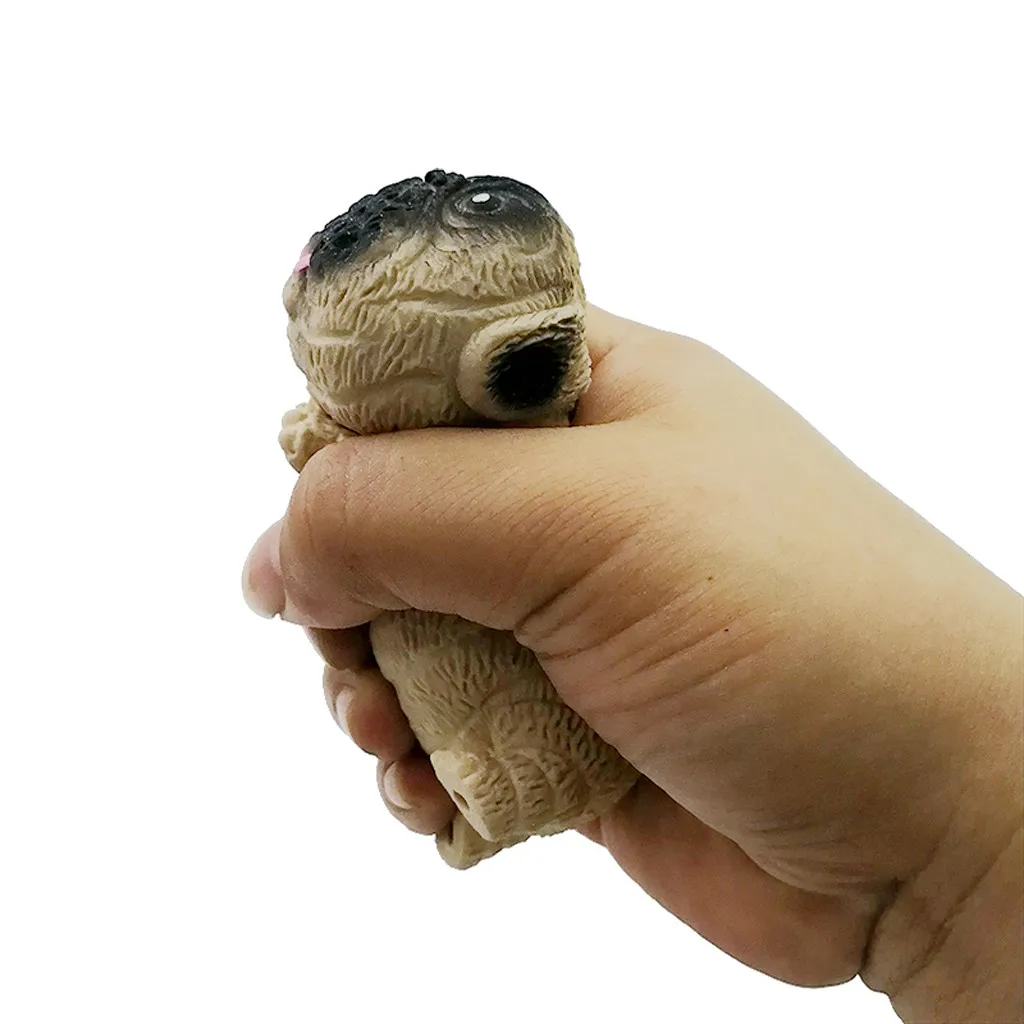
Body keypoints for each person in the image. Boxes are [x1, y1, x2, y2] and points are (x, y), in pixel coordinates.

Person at [242, 307, 1023, 1023]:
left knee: (500, 758)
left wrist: (961, 860)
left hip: (534, 729)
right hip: (513, 703)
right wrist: (950, 875)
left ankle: (503, 778)